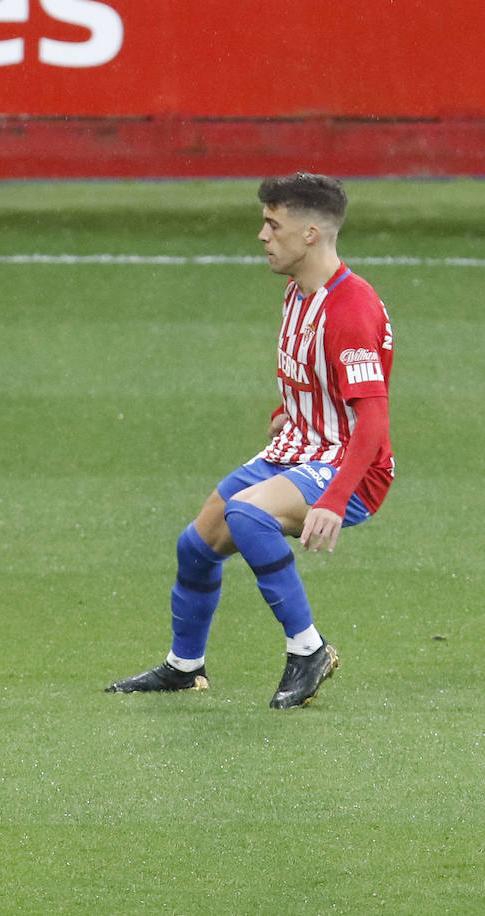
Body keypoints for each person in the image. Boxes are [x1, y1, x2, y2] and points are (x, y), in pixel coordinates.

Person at [107, 172, 394, 709]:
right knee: (196, 546)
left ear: (310, 233)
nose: (263, 236)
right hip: (300, 446)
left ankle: (309, 649)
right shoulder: (298, 292)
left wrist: (333, 500)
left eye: (272, 224)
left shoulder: (351, 310)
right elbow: (317, 377)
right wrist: (291, 410)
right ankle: (184, 667)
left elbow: (373, 422)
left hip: (348, 467)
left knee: (249, 514)